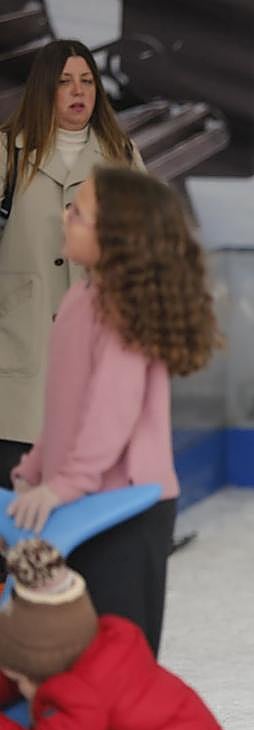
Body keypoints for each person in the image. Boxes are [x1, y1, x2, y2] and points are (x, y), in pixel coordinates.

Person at [7, 168, 218, 656]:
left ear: (116, 236)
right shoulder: (82, 297)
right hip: (79, 503)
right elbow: (64, 408)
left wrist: (64, 483)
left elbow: (111, 413)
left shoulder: (120, 311)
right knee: (71, 655)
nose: (65, 216)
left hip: (125, 509)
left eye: (78, 212)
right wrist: (35, 469)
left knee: (119, 662)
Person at [0, 548, 235, 730]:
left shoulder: (79, 697)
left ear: (43, 672)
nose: (20, 687)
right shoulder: (101, 646)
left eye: (20, 680)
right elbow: (25, 663)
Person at [0, 40, 143, 489]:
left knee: (84, 494)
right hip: (20, 348)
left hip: (98, 341)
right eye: (64, 82)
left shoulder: (120, 154)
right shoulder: (9, 153)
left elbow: (147, 244)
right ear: (45, 90)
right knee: (16, 503)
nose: (78, 91)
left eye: (87, 81)